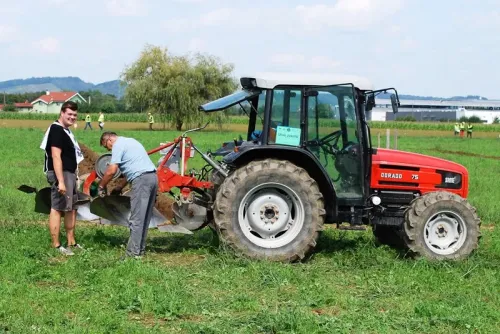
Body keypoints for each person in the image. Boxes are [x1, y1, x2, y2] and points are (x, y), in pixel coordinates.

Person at [98, 132, 158, 259]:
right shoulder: (130, 141)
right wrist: (120, 187)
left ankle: (132, 255)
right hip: (152, 178)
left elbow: (111, 170)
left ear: (109, 140)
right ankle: (139, 251)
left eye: (106, 147)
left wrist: (101, 186)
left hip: (141, 180)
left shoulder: (117, 145)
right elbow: (133, 166)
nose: (108, 149)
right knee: (144, 217)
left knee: (136, 219)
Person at [39, 101, 84, 256]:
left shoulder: (66, 131)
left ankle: (72, 242)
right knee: (58, 208)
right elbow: (56, 156)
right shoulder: (57, 130)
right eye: (69, 114)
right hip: (61, 174)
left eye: (75, 115)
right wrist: (61, 181)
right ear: (62, 113)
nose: (72, 117)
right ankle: (56, 245)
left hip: (69, 173)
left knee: (71, 208)